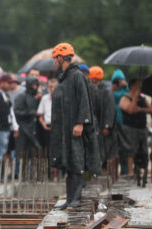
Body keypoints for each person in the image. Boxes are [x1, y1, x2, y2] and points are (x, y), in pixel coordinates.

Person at [50, 43, 100, 210]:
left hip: (75, 128)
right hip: (64, 129)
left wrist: (80, 123)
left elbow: (84, 101)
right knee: (68, 162)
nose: (54, 63)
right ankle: (70, 198)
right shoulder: (63, 79)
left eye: (55, 59)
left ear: (61, 58)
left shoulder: (77, 76)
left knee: (77, 161)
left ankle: (76, 198)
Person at [119, 79, 152, 187]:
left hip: (142, 128)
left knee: (143, 152)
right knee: (130, 152)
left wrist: (141, 109)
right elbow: (130, 110)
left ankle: (142, 174)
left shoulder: (142, 98)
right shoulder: (125, 98)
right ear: (132, 86)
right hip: (130, 128)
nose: (139, 87)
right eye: (138, 85)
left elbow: (151, 110)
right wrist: (135, 98)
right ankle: (130, 173)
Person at [89, 66, 118, 182]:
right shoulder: (95, 90)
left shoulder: (105, 91)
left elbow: (110, 110)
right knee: (99, 152)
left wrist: (107, 126)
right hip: (98, 128)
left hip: (105, 129)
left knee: (107, 153)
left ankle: (108, 177)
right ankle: (100, 175)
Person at [0, 74, 19, 162]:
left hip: (5, 128)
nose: (10, 85)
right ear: (2, 82)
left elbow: (10, 111)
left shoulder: (5, 95)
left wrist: (15, 127)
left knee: (2, 152)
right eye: (8, 83)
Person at [14, 76, 41, 154]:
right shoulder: (21, 97)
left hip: (35, 128)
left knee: (36, 153)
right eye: (33, 85)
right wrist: (32, 112)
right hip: (23, 128)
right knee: (21, 154)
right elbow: (17, 112)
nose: (35, 87)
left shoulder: (39, 96)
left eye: (36, 85)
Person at [111, 69, 132, 175]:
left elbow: (132, 96)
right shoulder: (112, 90)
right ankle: (113, 172)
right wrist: (111, 89)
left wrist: (126, 85)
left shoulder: (125, 91)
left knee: (124, 148)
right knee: (114, 149)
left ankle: (124, 170)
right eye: (116, 81)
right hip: (113, 122)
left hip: (124, 122)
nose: (118, 83)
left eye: (120, 80)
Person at [37, 78, 57, 179]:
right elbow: (40, 114)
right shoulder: (45, 98)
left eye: (55, 87)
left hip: (59, 127)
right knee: (48, 150)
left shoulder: (63, 97)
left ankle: (57, 171)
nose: (53, 89)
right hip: (48, 126)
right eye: (51, 87)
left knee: (58, 150)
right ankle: (49, 172)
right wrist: (43, 123)